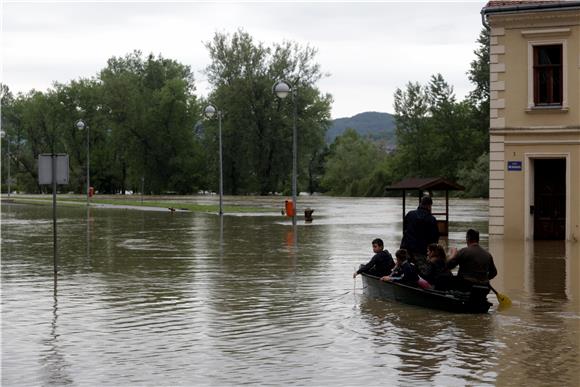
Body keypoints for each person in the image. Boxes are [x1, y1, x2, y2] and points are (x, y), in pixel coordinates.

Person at [400, 196, 439, 275]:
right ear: (429, 206)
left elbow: (404, 230)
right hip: (421, 251)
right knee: (424, 273)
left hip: (405, 248)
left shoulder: (410, 214)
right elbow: (435, 238)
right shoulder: (431, 219)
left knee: (403, 270)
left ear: (420, 203)